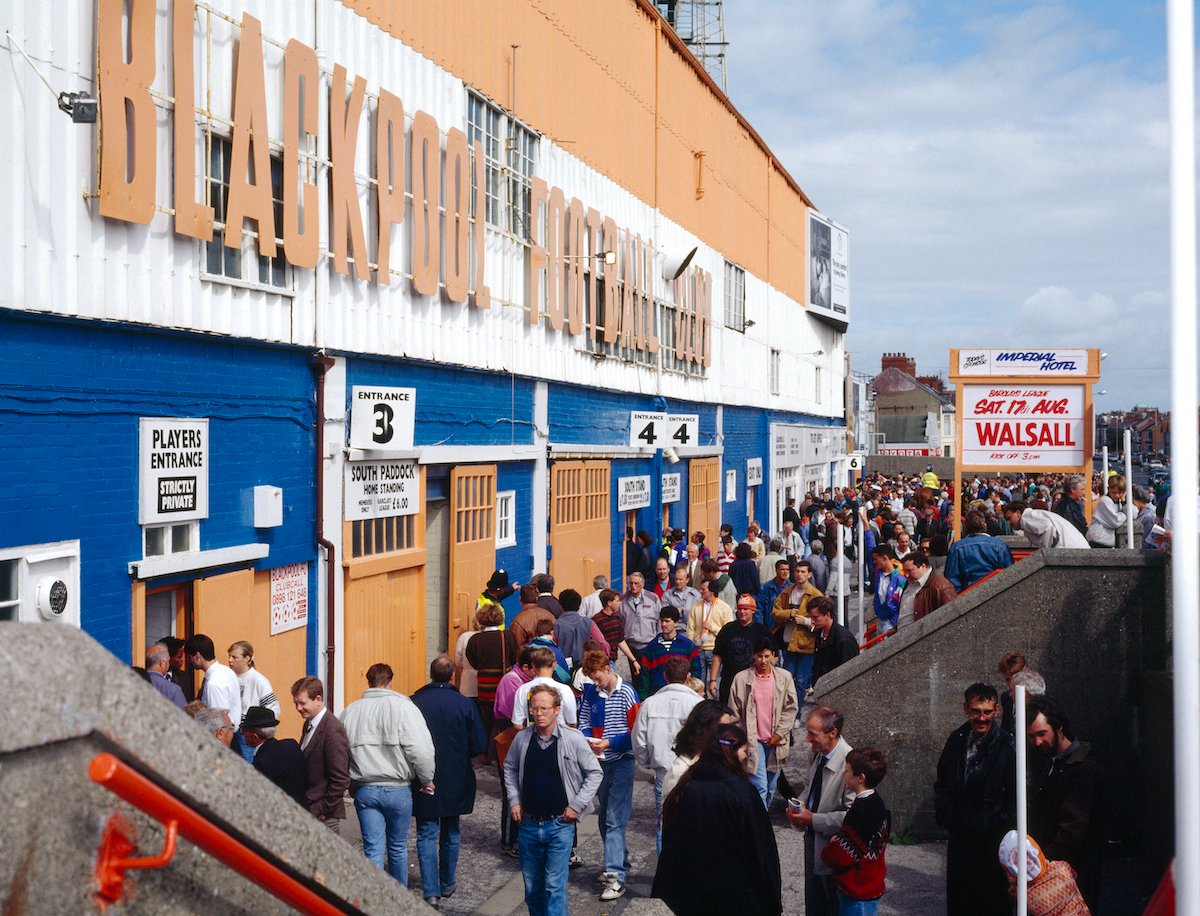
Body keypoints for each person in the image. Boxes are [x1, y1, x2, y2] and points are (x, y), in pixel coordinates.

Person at [653, 723, 783, 915]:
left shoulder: (686, 787)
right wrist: (772, 902)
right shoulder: (742, 793)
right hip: (736, 896)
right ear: (731, 751)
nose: (746, 756)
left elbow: (671, 844)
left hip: (691, 896)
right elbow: (761, 851)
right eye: (743, 750)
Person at [505, 684, 603, 916]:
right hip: (528, 824)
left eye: (544, 708)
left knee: (553, 886)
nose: (538, 713)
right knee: (533, 889)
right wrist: (514, 800)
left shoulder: (572, 739)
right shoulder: (522, 739)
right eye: (534, 708)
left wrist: (576, 805)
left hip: (559, 825)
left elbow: (595, 772)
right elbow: (509, 767)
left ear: (557, 710)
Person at [340, 663, 436, 883]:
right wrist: (427, 779)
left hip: (365, 788)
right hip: (397, 788)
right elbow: (420, 749)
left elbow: (340, 749)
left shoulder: (351, 711)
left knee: (372, 850)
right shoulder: (404, 707)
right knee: (398, 848)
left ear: (369, 682)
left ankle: (373, 903)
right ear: (390, 681)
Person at [411, 655, 488, 908]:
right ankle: (447, 882)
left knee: (425, 832)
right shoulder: (464, 704)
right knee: (451, 830)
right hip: (456, 775)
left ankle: (431, 890)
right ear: (452, 676)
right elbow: (479, 744)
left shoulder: (416, 702)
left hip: (425, 776)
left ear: (431, 675)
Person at [934, 682, 1016, 916]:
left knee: (989, 903)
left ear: (997, 711)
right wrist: (946, 814)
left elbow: (1015, 801)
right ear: (966, 709)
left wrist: (987, 825)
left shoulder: (1008, 747)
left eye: (987, 712)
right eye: (976, 711)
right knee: (960, 903)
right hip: (960, 837)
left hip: (990, 842)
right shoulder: (956, 739)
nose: (982, 718)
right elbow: (942, 781)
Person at [1028, 696, 1105, 912]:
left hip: (1072, 879)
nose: (1037, 742)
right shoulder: (1055, 764)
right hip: (1057, 875)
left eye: (1042, 734)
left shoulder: (1083, 769)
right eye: (1032, 737)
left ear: (1059, 728)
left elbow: (1072, 831)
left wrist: (1038, 867)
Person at [578, 649, 641, 902]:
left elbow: (636, 732)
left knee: (614, 819)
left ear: (608, 669)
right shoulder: (591, 692)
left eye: (597, 678)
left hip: (622, 762)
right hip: (600, 764)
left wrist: (610, 743)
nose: (594, 683)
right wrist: (587, 738)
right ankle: (621, 861)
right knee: (605, 818)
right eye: (591, 679)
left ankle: (616, 876)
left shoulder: (626, 693)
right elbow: (582, 719)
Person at [786, 706, 856, 916]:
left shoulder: (851, 763)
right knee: (815, 904)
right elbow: (809, 787)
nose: (807, 739)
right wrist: (798, 807)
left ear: (832, 733)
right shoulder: (816, 754)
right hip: (813, 839)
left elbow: (853, 817)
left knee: (833, 904)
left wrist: (812, 819)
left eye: (812, 734)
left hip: (835, 850)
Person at [631, 655, 704, 853]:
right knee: (693, 825)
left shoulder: (650, 703)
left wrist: (647, 762)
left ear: (664, 676)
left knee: (665, 824)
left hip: (663, 772)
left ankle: (666, 874)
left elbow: (638, 739)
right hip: (692, 773)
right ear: (688, 677)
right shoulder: (697, 704)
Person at [727, 636, 798, 808]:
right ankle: (759, 826)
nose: (763, 661)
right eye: (759, 656)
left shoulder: (784, 677)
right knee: (760, 786)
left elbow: (791, 708)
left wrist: (780, 733)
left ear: (774, 656)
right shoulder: (741, 679)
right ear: (753, 656)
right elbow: (733, 713)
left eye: (767, 656)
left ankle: (759, 819)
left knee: (772, 787)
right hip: (752, 740)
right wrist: (739, 740)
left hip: (776, 740)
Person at [821, 748, 891, 916]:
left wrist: (830, 848)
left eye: (847, 771)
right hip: (870, 883)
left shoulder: (862, 811)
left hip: (858, 887)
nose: (843, 774)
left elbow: (844, 854)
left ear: (860, 778)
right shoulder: (877, 802)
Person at [291, 675, 350, 834]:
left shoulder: (332, 729)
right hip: (310, 809)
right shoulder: (309, 723)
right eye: (295, 703)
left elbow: (340, 779)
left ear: (318, 699)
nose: (298, 708)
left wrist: (322, 810)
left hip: (324, 817)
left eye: (302, 703)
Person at [996, 830, 1091, 916]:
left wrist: (1015, 887)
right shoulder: (1061, 868)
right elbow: (1074, 875)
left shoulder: (1028, 898)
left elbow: (1016, 895)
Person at [465, 601, 519, 748]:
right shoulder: (507, 636)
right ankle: (503, 748)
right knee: (504, 719)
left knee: (486, 720)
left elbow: (473, 663)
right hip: (504, 684)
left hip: (484, 685)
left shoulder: (474, 639)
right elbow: (515, 658)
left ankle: (486, 752)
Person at [661, 699, 735, 799]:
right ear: (705, 730)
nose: (728, 734)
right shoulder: (680, 771)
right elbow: (671, 810)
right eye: (722, 728)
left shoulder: (724, 762)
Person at [710, 594, 775, 705]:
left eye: (746, 609)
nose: (742, 612)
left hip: (753, 680)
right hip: (729, 679)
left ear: (753, 611)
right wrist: (713, 680)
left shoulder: (762, 631)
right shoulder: (727, 629)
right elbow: (717, 656)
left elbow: (773, 656)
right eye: (740, 609)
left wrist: (766, 677)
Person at [772, 560, 822, 698]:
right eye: (797, 571)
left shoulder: (815, 595)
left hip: (806, 645)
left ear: (809, 574)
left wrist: (806, 621)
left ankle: (797, 714)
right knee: (787, 680)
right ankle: (788, 712)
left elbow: (822, 621)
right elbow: (775, 612)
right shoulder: (787, 592)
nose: (799, 575)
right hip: (788, 643)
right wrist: (789, 614)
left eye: (803, 572)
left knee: (801, 682)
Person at [241, 705, 308, 808]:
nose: (242, 734)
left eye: (244, 731)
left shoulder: (262, 762)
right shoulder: (292, 745)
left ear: (255, 737)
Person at [185, 634, 243, 751]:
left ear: (197, 655)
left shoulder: (214, 683)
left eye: (190, 657)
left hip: (225, 742)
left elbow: (220, 723)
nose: (189, 661)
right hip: (232, 736)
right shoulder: (226, 671)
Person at [227, 640, 279, 761]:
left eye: (234, 657)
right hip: (233, 733)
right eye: (229, 656)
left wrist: (258, 729)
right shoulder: (230, 678)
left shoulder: (258, 680)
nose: (230, 660)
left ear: (247, 658)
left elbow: (273, 708)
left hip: (248, 736)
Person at [944, 510, 1013, 592]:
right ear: (984, 525)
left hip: (967, 593)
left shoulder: (957, 547)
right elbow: (1009, 574)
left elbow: (951, 578)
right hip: (994, 592)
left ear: (966, 526)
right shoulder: (999, 545)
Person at [637, 607, 701, 695]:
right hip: (658, 694)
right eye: (662, 621)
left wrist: (693, 691)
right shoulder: (652, 647)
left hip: (683, 694)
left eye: (667, 621)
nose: (663, 624)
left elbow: (696, 671)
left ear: (676, 623)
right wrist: (643, 697)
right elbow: (645, 675)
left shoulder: (687, 645)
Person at [511, 647, 578, 728]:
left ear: (533, 665)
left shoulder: (522, 690)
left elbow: (517, 724)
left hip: (532, 737)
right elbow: (572, 722)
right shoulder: (565, 690)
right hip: (560, 737)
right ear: (554, 664)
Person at [619, 571, 661, 697]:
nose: (633, 586)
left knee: (649, 677)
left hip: (649, 644)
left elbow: (659, 619)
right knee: (636, 678)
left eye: (636, 583)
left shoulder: (653, 598)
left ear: (642, 584)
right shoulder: (623, 600)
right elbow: (620, 622)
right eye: (630, 583)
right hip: (631, 646)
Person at [686, 577, 733, 689]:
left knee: (715, 682)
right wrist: (693, 643)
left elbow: (728, 631)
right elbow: (690, 629)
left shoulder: (724, 607)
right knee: (698, 682)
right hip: (699, 649)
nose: (700, 591)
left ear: (711, 591)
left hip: (715, 650)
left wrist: (712, 628)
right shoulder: (696, 606)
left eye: (703, 589)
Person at [809, 597, 860, 689]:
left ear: (827, 615)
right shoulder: (819, 633)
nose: (812, 621)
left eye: (815, 617)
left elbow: (849, 671)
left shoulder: (844, 640)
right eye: (811, 617)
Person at [592, 587, 642, 677]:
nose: (620, 603)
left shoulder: (617, 617)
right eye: (617, 601)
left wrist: (633, 660)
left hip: (613, 660)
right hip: (602, 661)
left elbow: (620, 640)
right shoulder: (597, 620)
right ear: (609, 603)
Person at [899, 550, 958, 627]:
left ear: (923, 567)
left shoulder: (941, 586)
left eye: (909, 571)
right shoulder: (910, 582)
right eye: (904, 571)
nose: (906, 575)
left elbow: (953, 615)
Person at [1003, 501, 1090, 550]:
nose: (1009, 522)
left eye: (1009, 518)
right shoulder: (1036, 514)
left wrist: (1044, 553)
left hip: (1071, 548)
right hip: (1077, 547)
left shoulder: (1026, 517)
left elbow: (1047, 527)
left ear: (1018, 513)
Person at [869, 544, 906, 635]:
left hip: (891, 623)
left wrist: (894, 622)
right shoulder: (878, 575)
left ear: (885, 558)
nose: (874, 562)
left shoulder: (900, 579)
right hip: (880, 621)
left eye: (876, 559)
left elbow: (898, 603)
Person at [1086, 474, 1128, 548]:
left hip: (1106, 539)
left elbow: (1133, 512)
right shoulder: (1105, 501)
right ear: (1108, 489)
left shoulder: (1119, 502)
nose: (1117, 495)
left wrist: (1124, 501)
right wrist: (1124, 514)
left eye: (1119, 493)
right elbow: (1115, 521)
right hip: (1099, 538)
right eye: (1114, 492)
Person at [511, 584, 557, 650]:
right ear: (537, 598)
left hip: (529, 658)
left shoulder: (518, 621)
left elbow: (516, 647)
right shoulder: (549, 616)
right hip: (549, 657)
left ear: (520, 599)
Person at [144, 643, 186, 709]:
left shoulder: (134, 683)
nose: (169, 664)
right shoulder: (173, 690)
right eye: (168, 661)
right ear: (162, 663)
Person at [660, 564, 700, 629]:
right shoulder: (667, 595)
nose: (678, 582)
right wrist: (677, 611)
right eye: (676, 579)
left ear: (687, 580)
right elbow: (664, 614)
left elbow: (698, 615)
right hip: (673, 630)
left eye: (680, 579)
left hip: (690, 630)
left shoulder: (695, 595)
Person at [159, 635, 195, 702]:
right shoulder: (150, 677)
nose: (183, 659)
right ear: (168, 658)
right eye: (179, 657)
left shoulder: (184, 678)